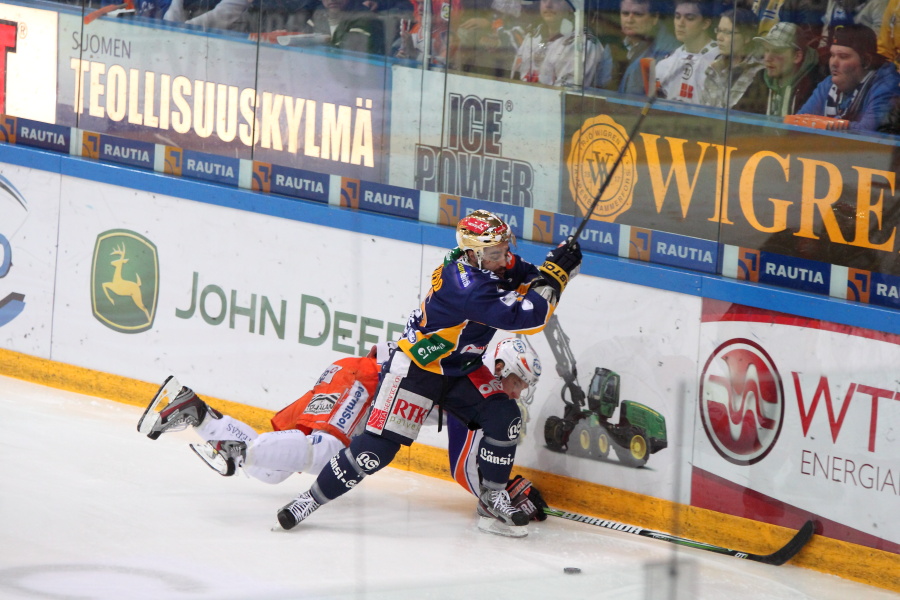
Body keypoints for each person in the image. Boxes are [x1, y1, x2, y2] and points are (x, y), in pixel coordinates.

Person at [273, 210, 582, 538]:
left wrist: (554, 265)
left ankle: (492, 499)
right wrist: (557, 275)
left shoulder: (487, 260)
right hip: (418, 370)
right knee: (375, 450)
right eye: (495, 252)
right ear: (473, 254)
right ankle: (309, 499)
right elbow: (529, 318)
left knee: (504, 417)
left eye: (505, 247)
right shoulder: (467, 286)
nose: (505, 257)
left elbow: (528, 278)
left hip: (462, 369)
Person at [137, 337, 550, 525]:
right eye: (516, 381)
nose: (516, 391)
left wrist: (500, 486)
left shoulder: (479, 387)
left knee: (269, 471)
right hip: (361, 383)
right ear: (498, 366)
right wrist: (500, 490)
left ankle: (198, 413)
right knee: (325, 450)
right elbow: (464, 463)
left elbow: (467, 456)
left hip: (359, 385)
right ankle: (236, 450)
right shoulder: (470, 377)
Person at [796, 23, 900, 131]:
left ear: (866, 61)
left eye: (843, 56)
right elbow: (797, 122)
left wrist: (819, 123)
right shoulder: (828, 84)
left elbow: (868, 132)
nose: (833, 63)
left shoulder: (886, 87)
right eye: (832, 55)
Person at [511, 0, 608, 87]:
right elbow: (514, 81)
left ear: (571, 6)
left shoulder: (584, 43)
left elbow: (564, 98)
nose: (548, 4)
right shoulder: (532, 36)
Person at [749, 21, 823, 115]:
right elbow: (740, 118)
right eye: (767, 50)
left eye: (777, 51)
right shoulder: (760, 79)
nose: (767, 58)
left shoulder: (814, 87)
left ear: (797, 56)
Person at [699, 8, 768, 110]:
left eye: (727, 32)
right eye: (719, 31)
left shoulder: (761, 73)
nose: (719, 37)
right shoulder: (714, 69)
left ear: (747, 37)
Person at [653, 0, 719, 103]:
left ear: (705, 24)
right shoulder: (666, 63)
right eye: (677, 17)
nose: (680, 23)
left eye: (689, 18)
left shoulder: (721, 59)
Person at [616, 0, 680, 95]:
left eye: (638, 14)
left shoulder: (669, 53)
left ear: (654, 18)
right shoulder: (619, 44)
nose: (629, 20)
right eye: (625, 14)